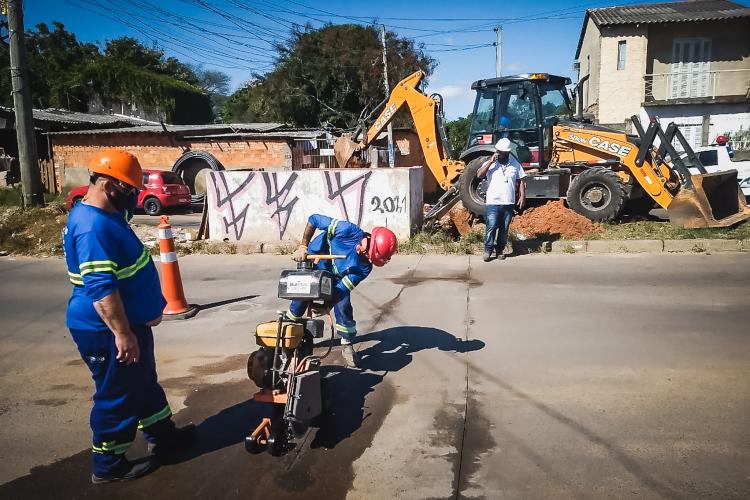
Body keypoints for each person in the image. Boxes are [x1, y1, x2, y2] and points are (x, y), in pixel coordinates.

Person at [63, 149, 195, 484]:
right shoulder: (92, 227)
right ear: (108, 185)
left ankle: (164, 438)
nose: (134, 196)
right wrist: (122, 334)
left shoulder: (106, 216)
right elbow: (102, 289)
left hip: (128, 325)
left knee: (143, 385)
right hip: (107, 331)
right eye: (129, 189)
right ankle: (108, 466)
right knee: (118, 395)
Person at [289, 215, 398, 367]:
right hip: (316, 260)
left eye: (368, 256)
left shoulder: (364, 267)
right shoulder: (347, 230)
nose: (360, 250)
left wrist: (327, 306)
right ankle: (288, 330)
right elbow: (314, 219)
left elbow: (341, 289)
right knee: (302, 292)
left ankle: (347, 344)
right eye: (365, 249)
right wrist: (303, 246)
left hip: (336, 276)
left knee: (343, 303)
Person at [477, 138, 526, 262]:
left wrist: (522, 196)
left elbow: (520, 180)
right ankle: (488, 250)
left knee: (504, 230)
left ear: (508, 153)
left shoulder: (515, 164)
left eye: (504, 153)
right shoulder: (490, 163)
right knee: (491, 227)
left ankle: (500, 251)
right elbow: (479, 174)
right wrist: (489, 162)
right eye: (499, 152)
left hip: (508, 203)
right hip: (493, 202)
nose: (501, 154)